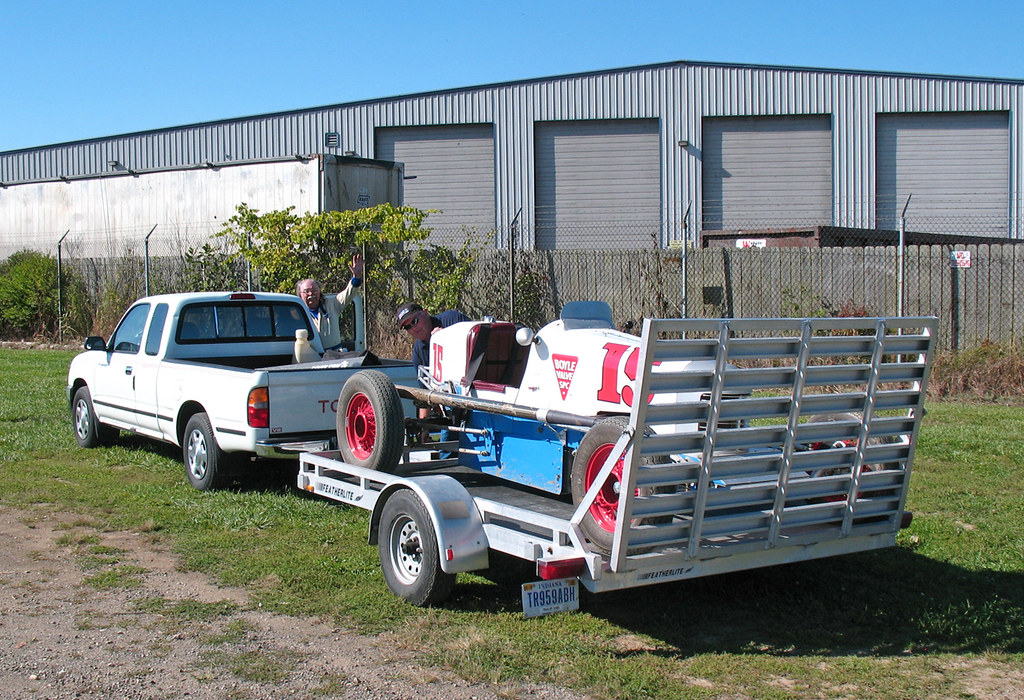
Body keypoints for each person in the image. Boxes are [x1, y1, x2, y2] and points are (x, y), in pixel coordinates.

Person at [296, 254, 363, 352]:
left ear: (319, 291)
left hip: (334, 356)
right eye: (306, 291)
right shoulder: (297, 312)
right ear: (300, 295)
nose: (311, 294)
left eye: (314, 290)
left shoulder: (332, 304)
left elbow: (349, 293)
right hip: (311, 357)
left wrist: (356, 277)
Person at [396, 302, 470, 372]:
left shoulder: (452, 319)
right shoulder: (418, 354)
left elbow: (479, 340)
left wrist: (449, 336)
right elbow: (426, 384)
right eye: (408, 327)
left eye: (414, 321)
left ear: (425, 313)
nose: (414, 328)